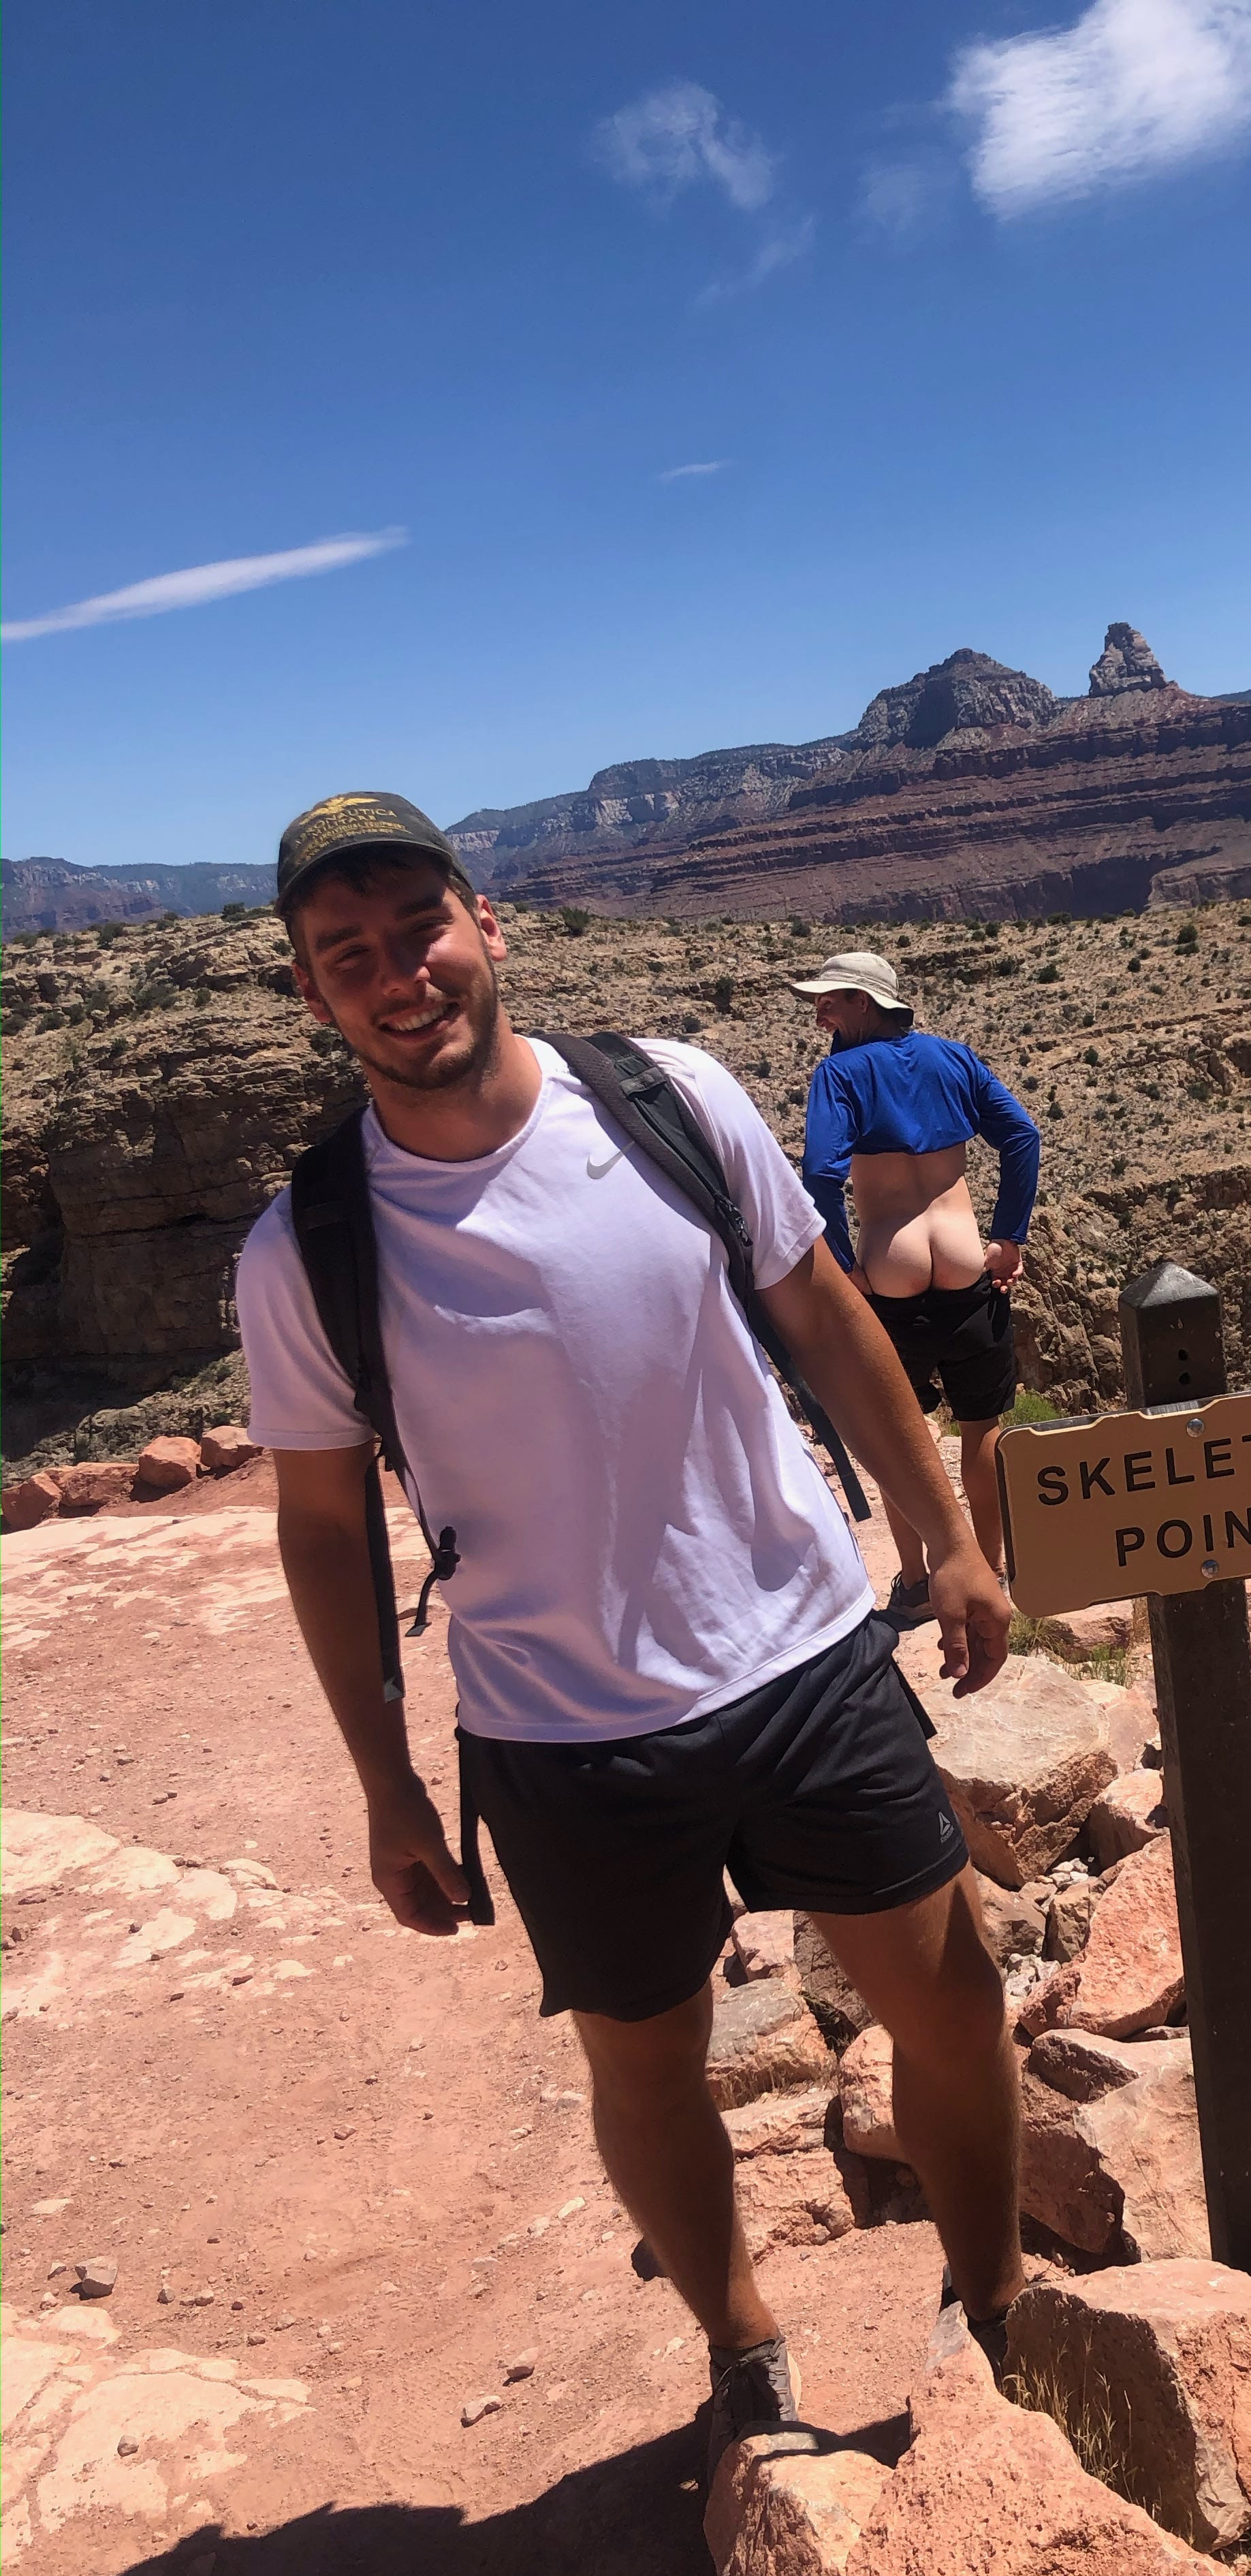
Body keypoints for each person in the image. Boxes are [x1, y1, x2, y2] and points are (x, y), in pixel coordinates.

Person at [234, 794, 1027, 2483]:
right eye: (347, 954)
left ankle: (1000, 2310)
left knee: (955, 2010)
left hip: (804, 1655)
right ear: (312, 993)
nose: (398, 973)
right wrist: (384, 1786)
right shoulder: (309, 1246)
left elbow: (823, 1313)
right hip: (562, 1730)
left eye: (419, 924)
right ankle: (744, 2350)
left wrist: (947, 1535)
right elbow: (323, 1526)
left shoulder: (668, 1100)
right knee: (649, 2065)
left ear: (488, 924)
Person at [792, 949, 1039, 1623]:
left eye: (830, 1000)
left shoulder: (839, 1075)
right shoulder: (953, 1058)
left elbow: (820, 1176)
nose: (819, 1013)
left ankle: (918, 1582)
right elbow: (1022, 1136)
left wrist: (845, 1266)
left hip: (888, 1276)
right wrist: (1009, 1238)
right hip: (966, 1264)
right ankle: (991, 1573)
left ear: (866, 1002)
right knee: (982, 1428)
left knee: (895, 1436)